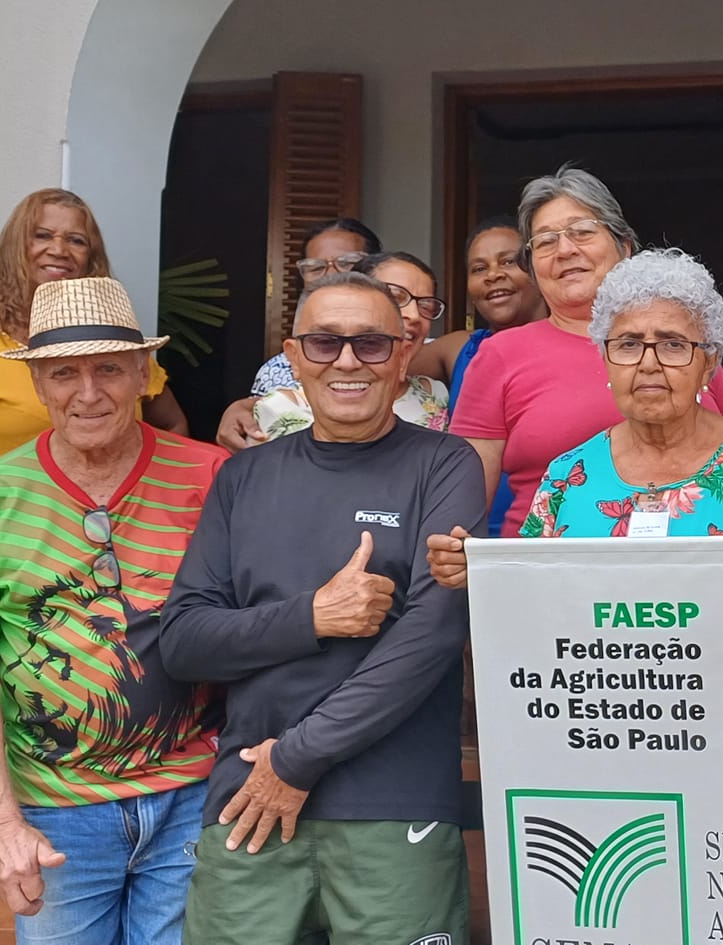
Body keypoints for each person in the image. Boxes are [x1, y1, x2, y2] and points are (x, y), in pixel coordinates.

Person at [161, 270, 485, 944]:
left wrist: (297, 758)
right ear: (293, 357)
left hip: (394, 804)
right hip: (248, 804)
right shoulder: (244, 477)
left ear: (402, 356)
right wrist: (312, 615)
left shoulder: (445, 464)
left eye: (370, 344)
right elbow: (184, 640)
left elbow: (430, 635)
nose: (346, 361)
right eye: (324, 343)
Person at [0, 277, 227, 945]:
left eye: (109, 369)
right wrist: (0, 822)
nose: (89, 393)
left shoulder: (212, 475)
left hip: (194, 793)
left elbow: (256, 627)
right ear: (38, 385)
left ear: (144, 374)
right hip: (55, 811)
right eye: (65, 373)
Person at [426, 249, 723, 585]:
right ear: (605, 360)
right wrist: (475, 569)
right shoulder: (565, 477)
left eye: (673, 344)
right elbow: (533, 597)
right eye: (628, 344)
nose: (648, 364)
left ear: (709, 364)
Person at [451, 166, 723, 537]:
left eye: (582, 232)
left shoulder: (683, 342)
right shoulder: (500, 355)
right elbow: (461, 508)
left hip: (699, 573)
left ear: (624, 246)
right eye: (545, 241)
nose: (565, 250)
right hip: (549, 576)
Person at [0, 188, 187, 484]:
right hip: (5, 523)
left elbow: (172, 423)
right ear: (15, 248)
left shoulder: (117, 346)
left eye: (76, 240)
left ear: (90, 258)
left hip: (115, 523)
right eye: (42, 235)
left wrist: (157, 494)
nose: (59, 249)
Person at [215, 217, 384, 450]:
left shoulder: (415, 349)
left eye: (348, 263)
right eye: (316, 267)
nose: (331, 275)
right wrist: (245, 407)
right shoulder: (276, 370)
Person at [251, 251, 452, 438]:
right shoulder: (282, 407)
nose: (414, 315)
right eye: (395, 298)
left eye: (426, 306)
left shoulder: (435, 395)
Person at [411, 217, 549, 408]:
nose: (493, 275)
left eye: (508, 261)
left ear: (538, 271)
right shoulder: (458, 348)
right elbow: (381, 362)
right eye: (479, 268)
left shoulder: (582, 342)